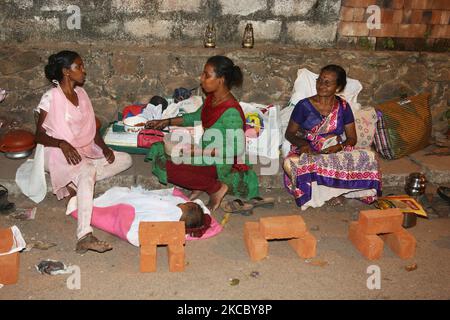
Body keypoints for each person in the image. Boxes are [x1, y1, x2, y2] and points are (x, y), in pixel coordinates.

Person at [34, 50, 132, 253]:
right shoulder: (50, 97)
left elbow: (91, 129)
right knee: (87, 171)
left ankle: (78, 183)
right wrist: (62, 143)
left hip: (83, 149)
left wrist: (104, 149)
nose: (83, 71)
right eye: (78, 66)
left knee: (125, 159)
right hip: (54, 151)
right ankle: (84, 235)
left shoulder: (81, 94)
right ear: (66, 72)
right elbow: (39, 136)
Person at [145, 56, 261, 213]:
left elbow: (236, 149)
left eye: (207, 75)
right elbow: (194, 117)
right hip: (205, 154)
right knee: (158, 149)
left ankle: (216, 188)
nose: (202, 79)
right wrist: (166, 122)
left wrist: (197, 151)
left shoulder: (231, 111)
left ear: (221, 79)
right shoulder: (212, 99)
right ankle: (201, 183)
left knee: (170, 169)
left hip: (220, 162)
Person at [283, 64, 381, 210]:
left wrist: (338, 147)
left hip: (334, 150)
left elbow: (352, 138)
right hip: (309, 150)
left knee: (369, 157)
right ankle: (328, 193)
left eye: (327, 83)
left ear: (338, 87)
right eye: (320, 80)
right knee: (292, 163)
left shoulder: (343, 106)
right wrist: (303, 145)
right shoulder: (303, 105)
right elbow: (289, 133)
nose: (321, 85)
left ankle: (338, 192)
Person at [65, 186, 213, 246]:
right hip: (137, 211)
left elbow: (150, 206)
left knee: (103, 203)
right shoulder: (175, 218)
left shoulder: (172, 211)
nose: (184, 202)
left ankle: (76, 198)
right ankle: (77, 197)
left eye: (187, 203)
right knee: (117, 199)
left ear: (186, 208)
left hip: (130, 207)